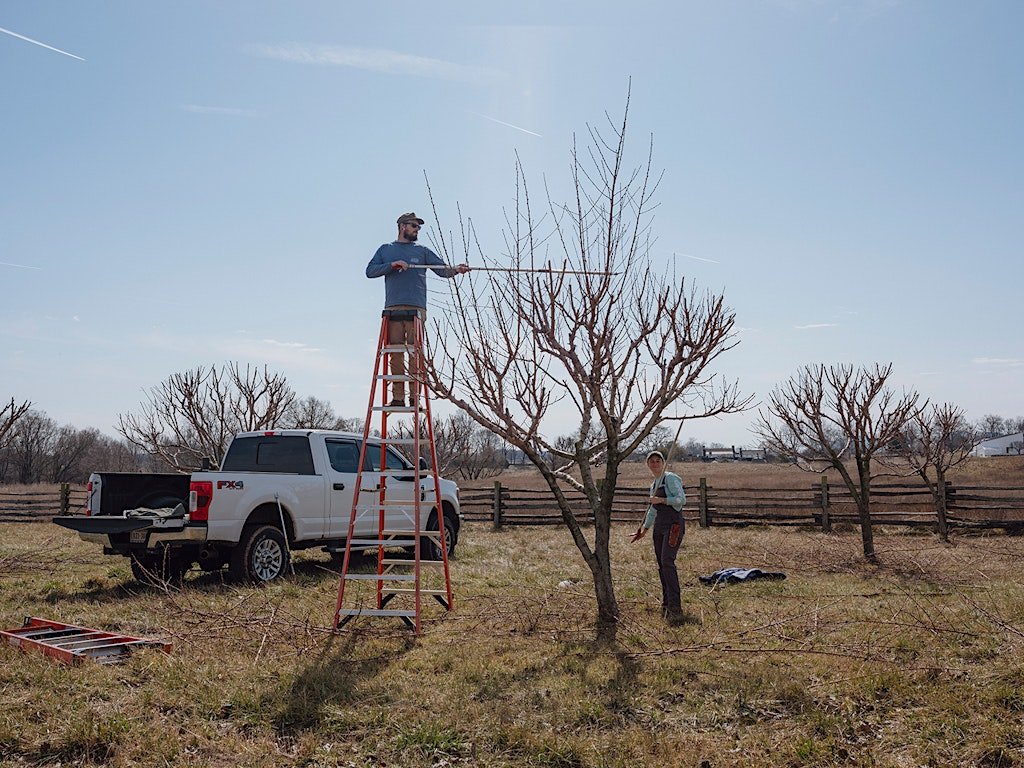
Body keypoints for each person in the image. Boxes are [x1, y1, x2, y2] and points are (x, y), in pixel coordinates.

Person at [365, 212, 469, 406]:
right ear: (403, 226)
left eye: (418, 227)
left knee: (415, 353)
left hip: (417, 307)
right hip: (393, 307)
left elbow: (442, 270)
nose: (417, 230)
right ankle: (397, 398)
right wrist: (392, 265)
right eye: (414, 226)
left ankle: (415, 397)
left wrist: (456, 269)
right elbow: (370, 271)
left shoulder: (422, 251)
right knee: (395, 354)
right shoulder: (386, 249)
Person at [630, 450, 686, 619]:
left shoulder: (670, 478)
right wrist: (644, 530)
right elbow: (652, 511)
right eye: (651, 461)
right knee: (661, 565)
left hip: (673, 524)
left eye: (657, 460)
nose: (655, 463)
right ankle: (666, 601)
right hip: (659, 526)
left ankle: (675, 605)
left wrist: (662, 500)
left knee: (668, 562)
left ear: (663, 462)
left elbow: (681, 500)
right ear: (647, 464)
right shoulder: (653, 485)